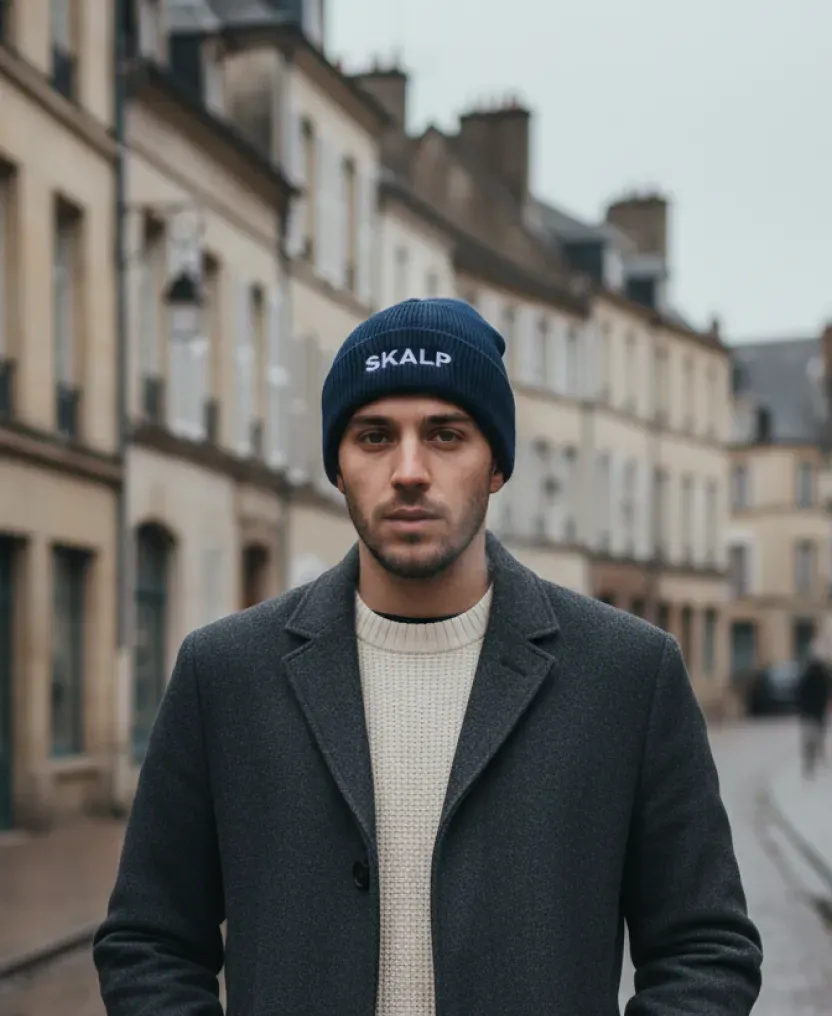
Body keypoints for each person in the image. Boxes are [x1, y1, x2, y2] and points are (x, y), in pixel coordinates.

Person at [94, 298, 763, 1014]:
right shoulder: (224, 673)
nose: (409, 471)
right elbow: (149, 942)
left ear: (496, 464)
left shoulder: (628, 675)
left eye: (446, 435)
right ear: (338, 466)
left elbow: (706, 950)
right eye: (375, 436)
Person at [795, 636, 831, 777]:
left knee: (810, 741)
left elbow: (799, 693)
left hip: (810, 714)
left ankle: (810, 763)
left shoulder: (809, 675)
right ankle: (812, 762)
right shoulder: (823, 675)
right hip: (816, 714)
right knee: (814, 739)